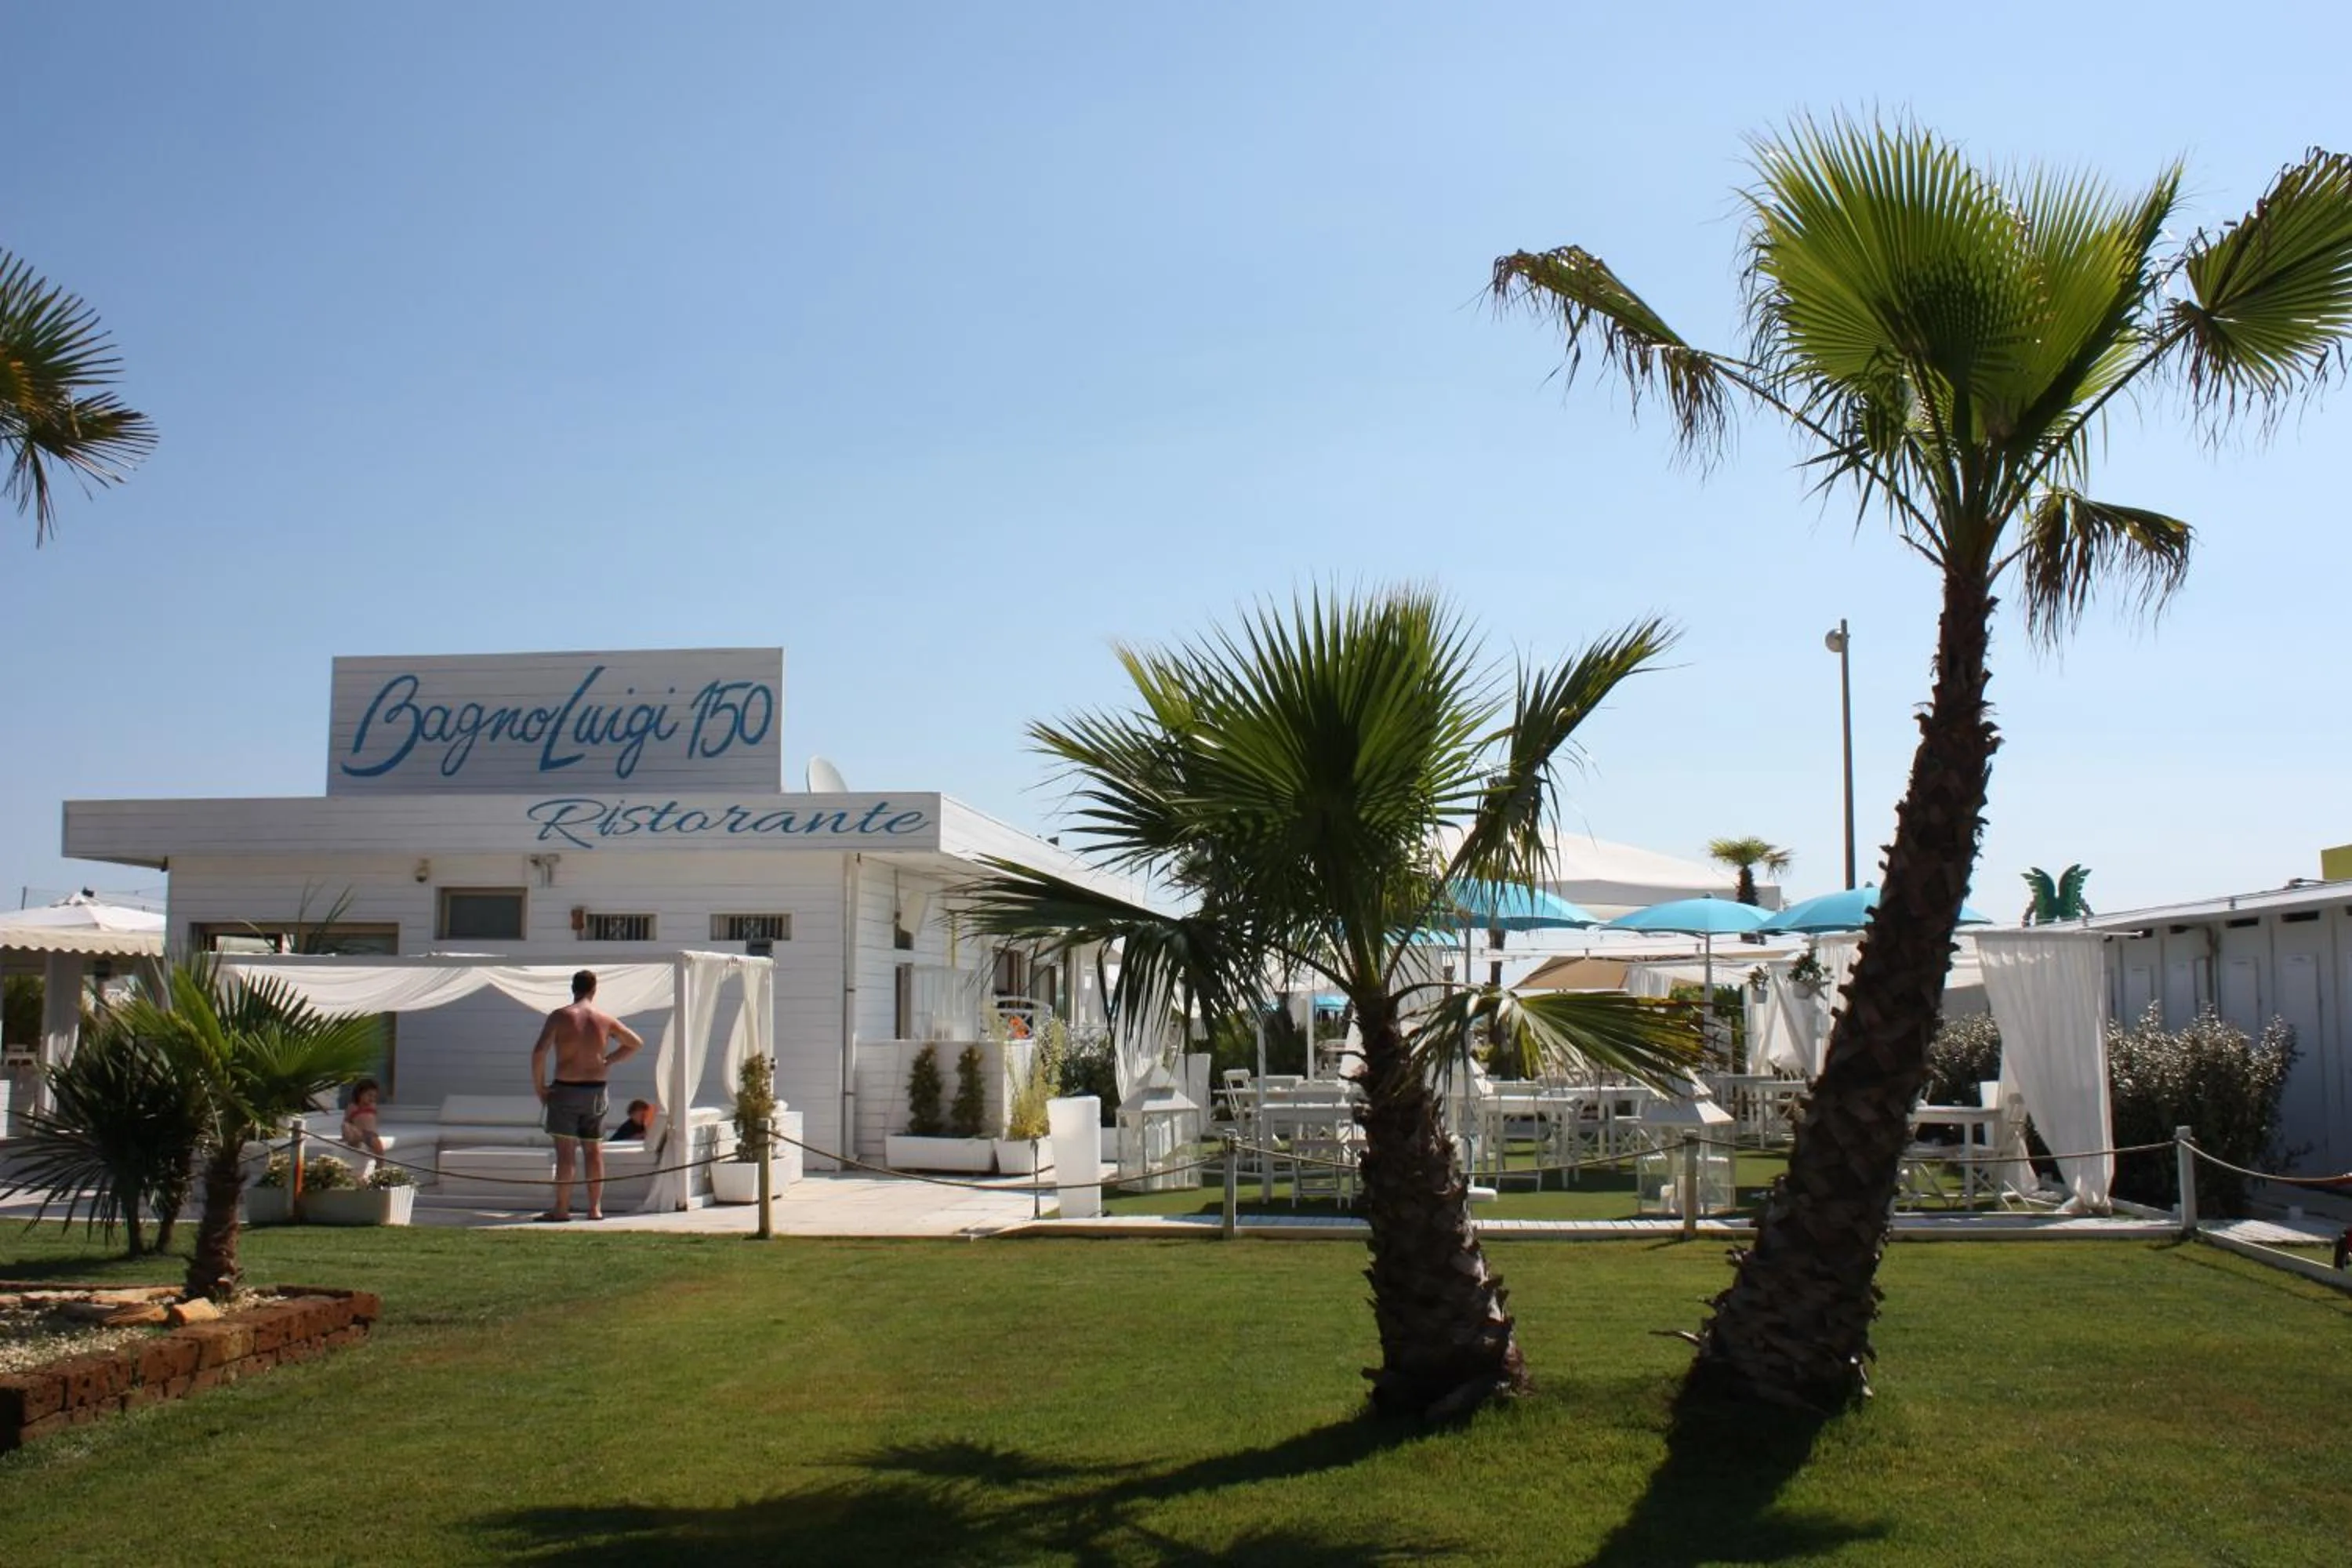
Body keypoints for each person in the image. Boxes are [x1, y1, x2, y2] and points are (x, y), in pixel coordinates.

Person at [528, 970, 644, 1221]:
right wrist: (609, 1060)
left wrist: (540, 1088)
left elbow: (539, 1053)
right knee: (594, 1152)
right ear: (594, 990)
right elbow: (635, 1042)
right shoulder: (604, 1019)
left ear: (573, 988)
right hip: (595, 1091)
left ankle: (562, 1209)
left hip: (565, 1089)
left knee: (566, 1153)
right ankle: (595, 1209)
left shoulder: (560, 1017)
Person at [342, 1078, 387, 1178]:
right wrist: (346, 1130)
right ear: (359, 1094)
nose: (372, 1099)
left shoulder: (372, 1106)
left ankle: (379, 1172)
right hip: (359, 1133)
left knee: (379, 1150)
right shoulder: (352, 1107)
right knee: (347, 1127)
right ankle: (352, 1141)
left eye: (374, 1096)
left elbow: (373, 1121)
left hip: (370, 1135)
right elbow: (347, 1121)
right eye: (369, 1095)